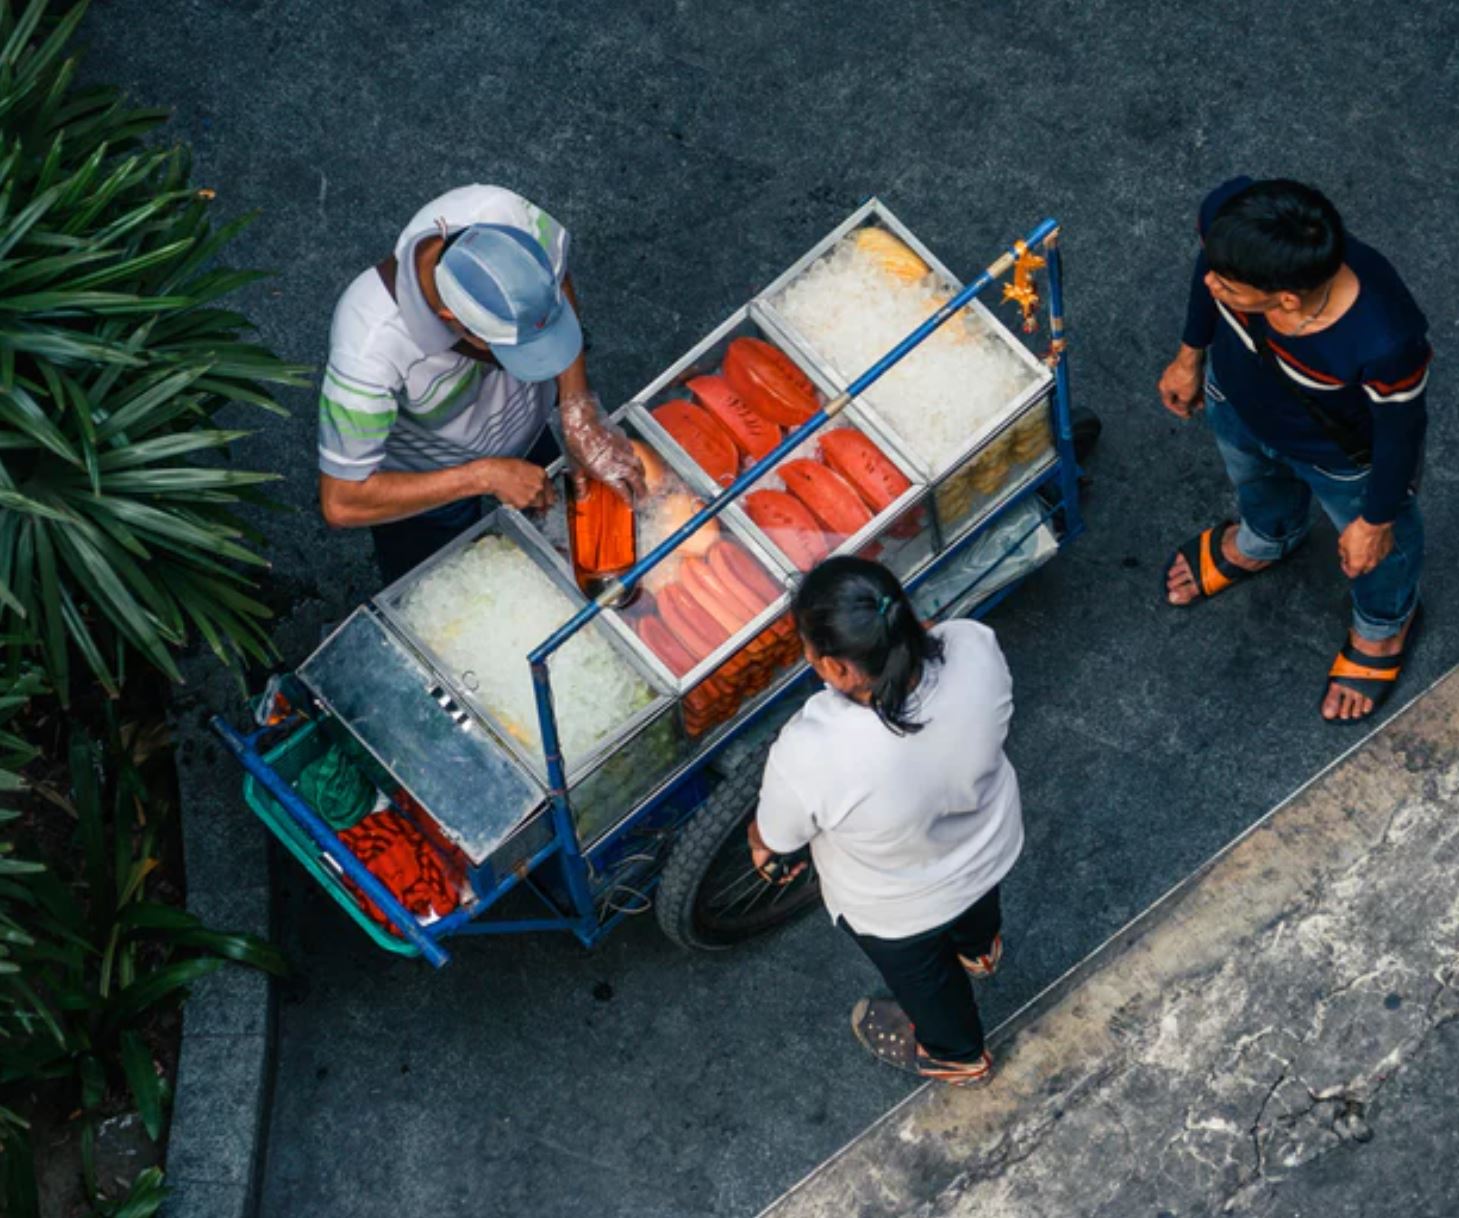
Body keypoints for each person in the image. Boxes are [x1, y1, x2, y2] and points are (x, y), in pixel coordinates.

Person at [1158, 177, 1432, 723]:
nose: (1212, 283)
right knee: (1254, 481)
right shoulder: (1235, 227)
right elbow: (1209, 272)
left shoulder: (1384, 340)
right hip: (1235, 402)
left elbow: (1402, 431)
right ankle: (1269, 538)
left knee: (1377, 556)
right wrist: (1191, 356)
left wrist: (1375, 520)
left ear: (1285, 299)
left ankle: (1383, 627)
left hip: (1338, 458)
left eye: (1230, 287)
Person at [749, 558, 1023, 1086]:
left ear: (837, 669)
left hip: (899, 906)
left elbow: (779, 835)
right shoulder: (973, 646)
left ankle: (957, 1054)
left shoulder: (812, 752)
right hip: (989, 843)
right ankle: (980, 951)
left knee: (926, 982)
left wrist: (758, 842)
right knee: (976, 910)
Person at [317, 184, 645, 584]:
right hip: (428, 483)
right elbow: (342, 501)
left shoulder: (506, 214)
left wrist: (576, 407)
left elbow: (556, 280)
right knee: (440, 588)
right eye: (511, 352)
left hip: (527, 438)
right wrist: (482, 476)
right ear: (451, 320)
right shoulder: (367, 352)